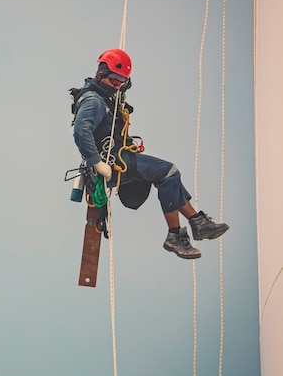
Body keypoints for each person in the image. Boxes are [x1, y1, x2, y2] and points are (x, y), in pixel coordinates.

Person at [71, 48, 229, 259]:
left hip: (116, 160)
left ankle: (197, 222)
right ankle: (177, 235)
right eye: (115, 81)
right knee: (167, 172)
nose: (118, 86)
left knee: (171, 177)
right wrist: (96, 162)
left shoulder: (105, 98)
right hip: (113, 162)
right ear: (101, 74)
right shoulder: (94, 100)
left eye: (121, 82)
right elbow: (81, 131)